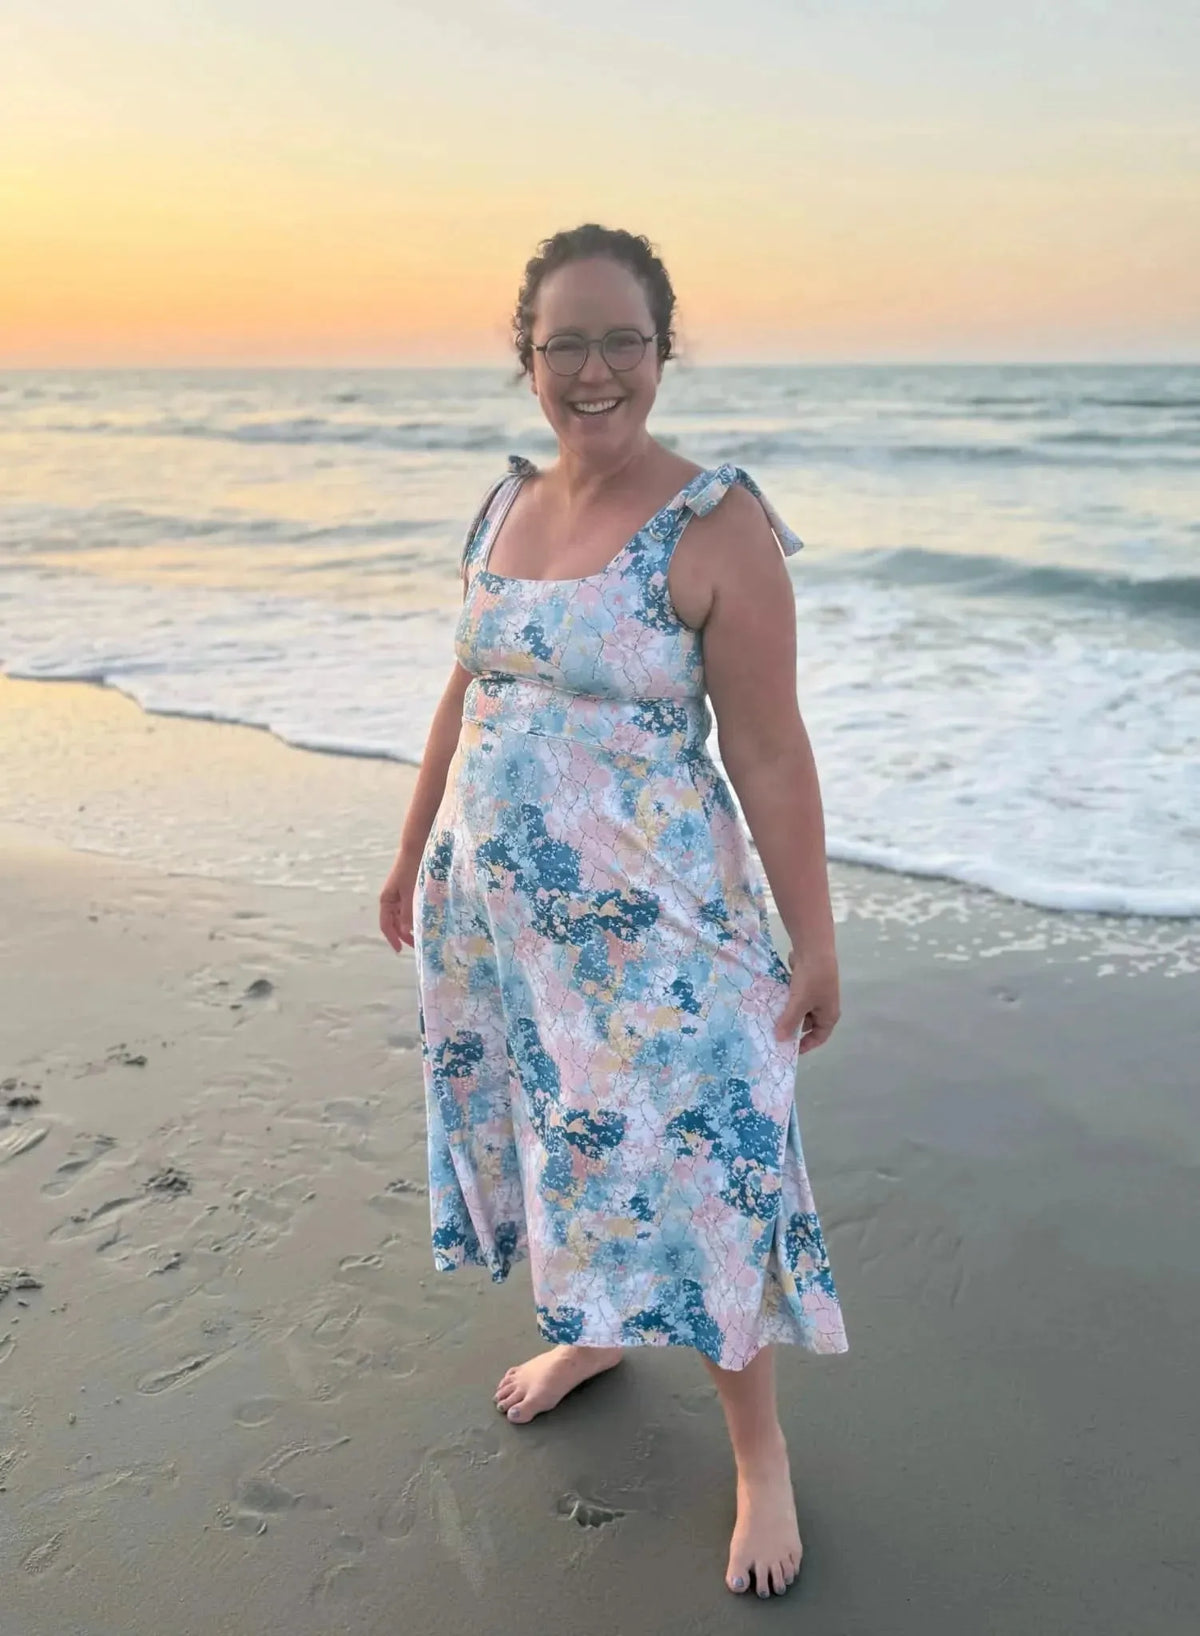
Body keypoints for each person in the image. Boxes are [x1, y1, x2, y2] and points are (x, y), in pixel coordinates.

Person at [380, 223, 848, 1600]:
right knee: (560, 1140)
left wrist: (814, 938)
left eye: (623, 340)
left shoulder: (718, 525)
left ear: (665, 347)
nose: (596, 369)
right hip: (503, 926)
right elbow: (469, 686)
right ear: (525, 356)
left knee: (702, 1162)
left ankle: (758, 1453)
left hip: (661, 937)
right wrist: (413, 855)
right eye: (566, 341)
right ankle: (592, 1329)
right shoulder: (503, 504)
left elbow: (770, 751)